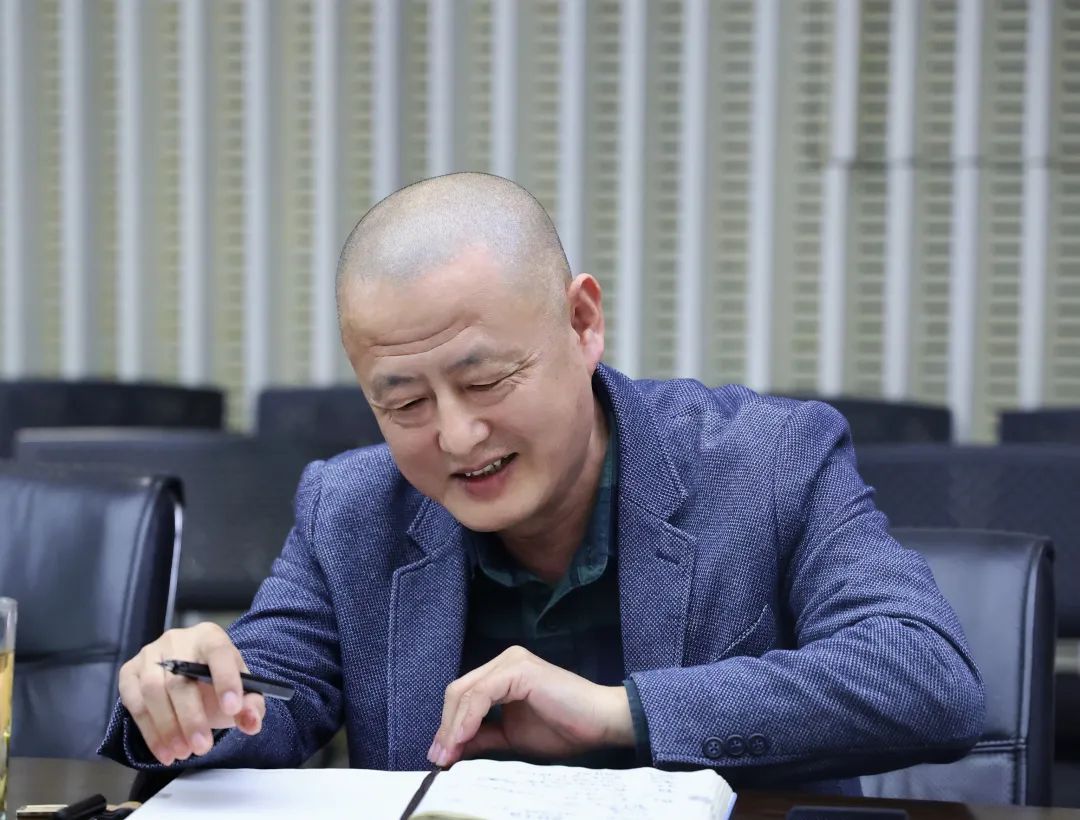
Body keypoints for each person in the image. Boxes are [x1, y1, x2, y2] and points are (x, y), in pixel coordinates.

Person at [100, 173, 984, 793]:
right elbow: (272, 693)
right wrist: (192, 702)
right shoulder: (352, 507)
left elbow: (925, 675)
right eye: (403, 402)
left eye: (486, 381)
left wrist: (620, 713)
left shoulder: (767, 460)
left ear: (582, 322)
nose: (456, 436)